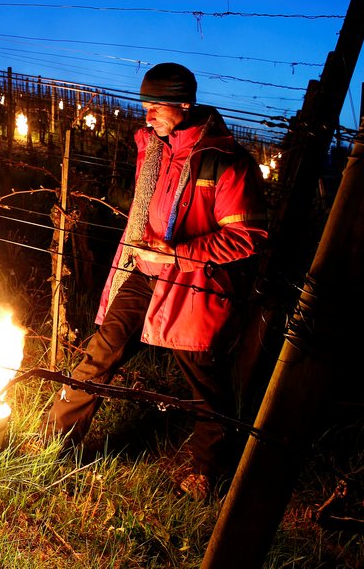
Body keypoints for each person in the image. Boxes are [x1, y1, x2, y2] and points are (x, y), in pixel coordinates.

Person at [44, 62, 269, 500]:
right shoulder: (154, 148)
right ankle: (56, 442)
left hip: (191, 286)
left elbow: (247, 236)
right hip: (144, 272)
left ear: (185, 104)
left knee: (204, 384)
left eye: (157, 107)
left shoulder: (227, 163)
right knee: (101, 352)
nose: (147, 115)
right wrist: (151, 252)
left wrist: (181, 253)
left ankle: (208, 468)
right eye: (144, 105)